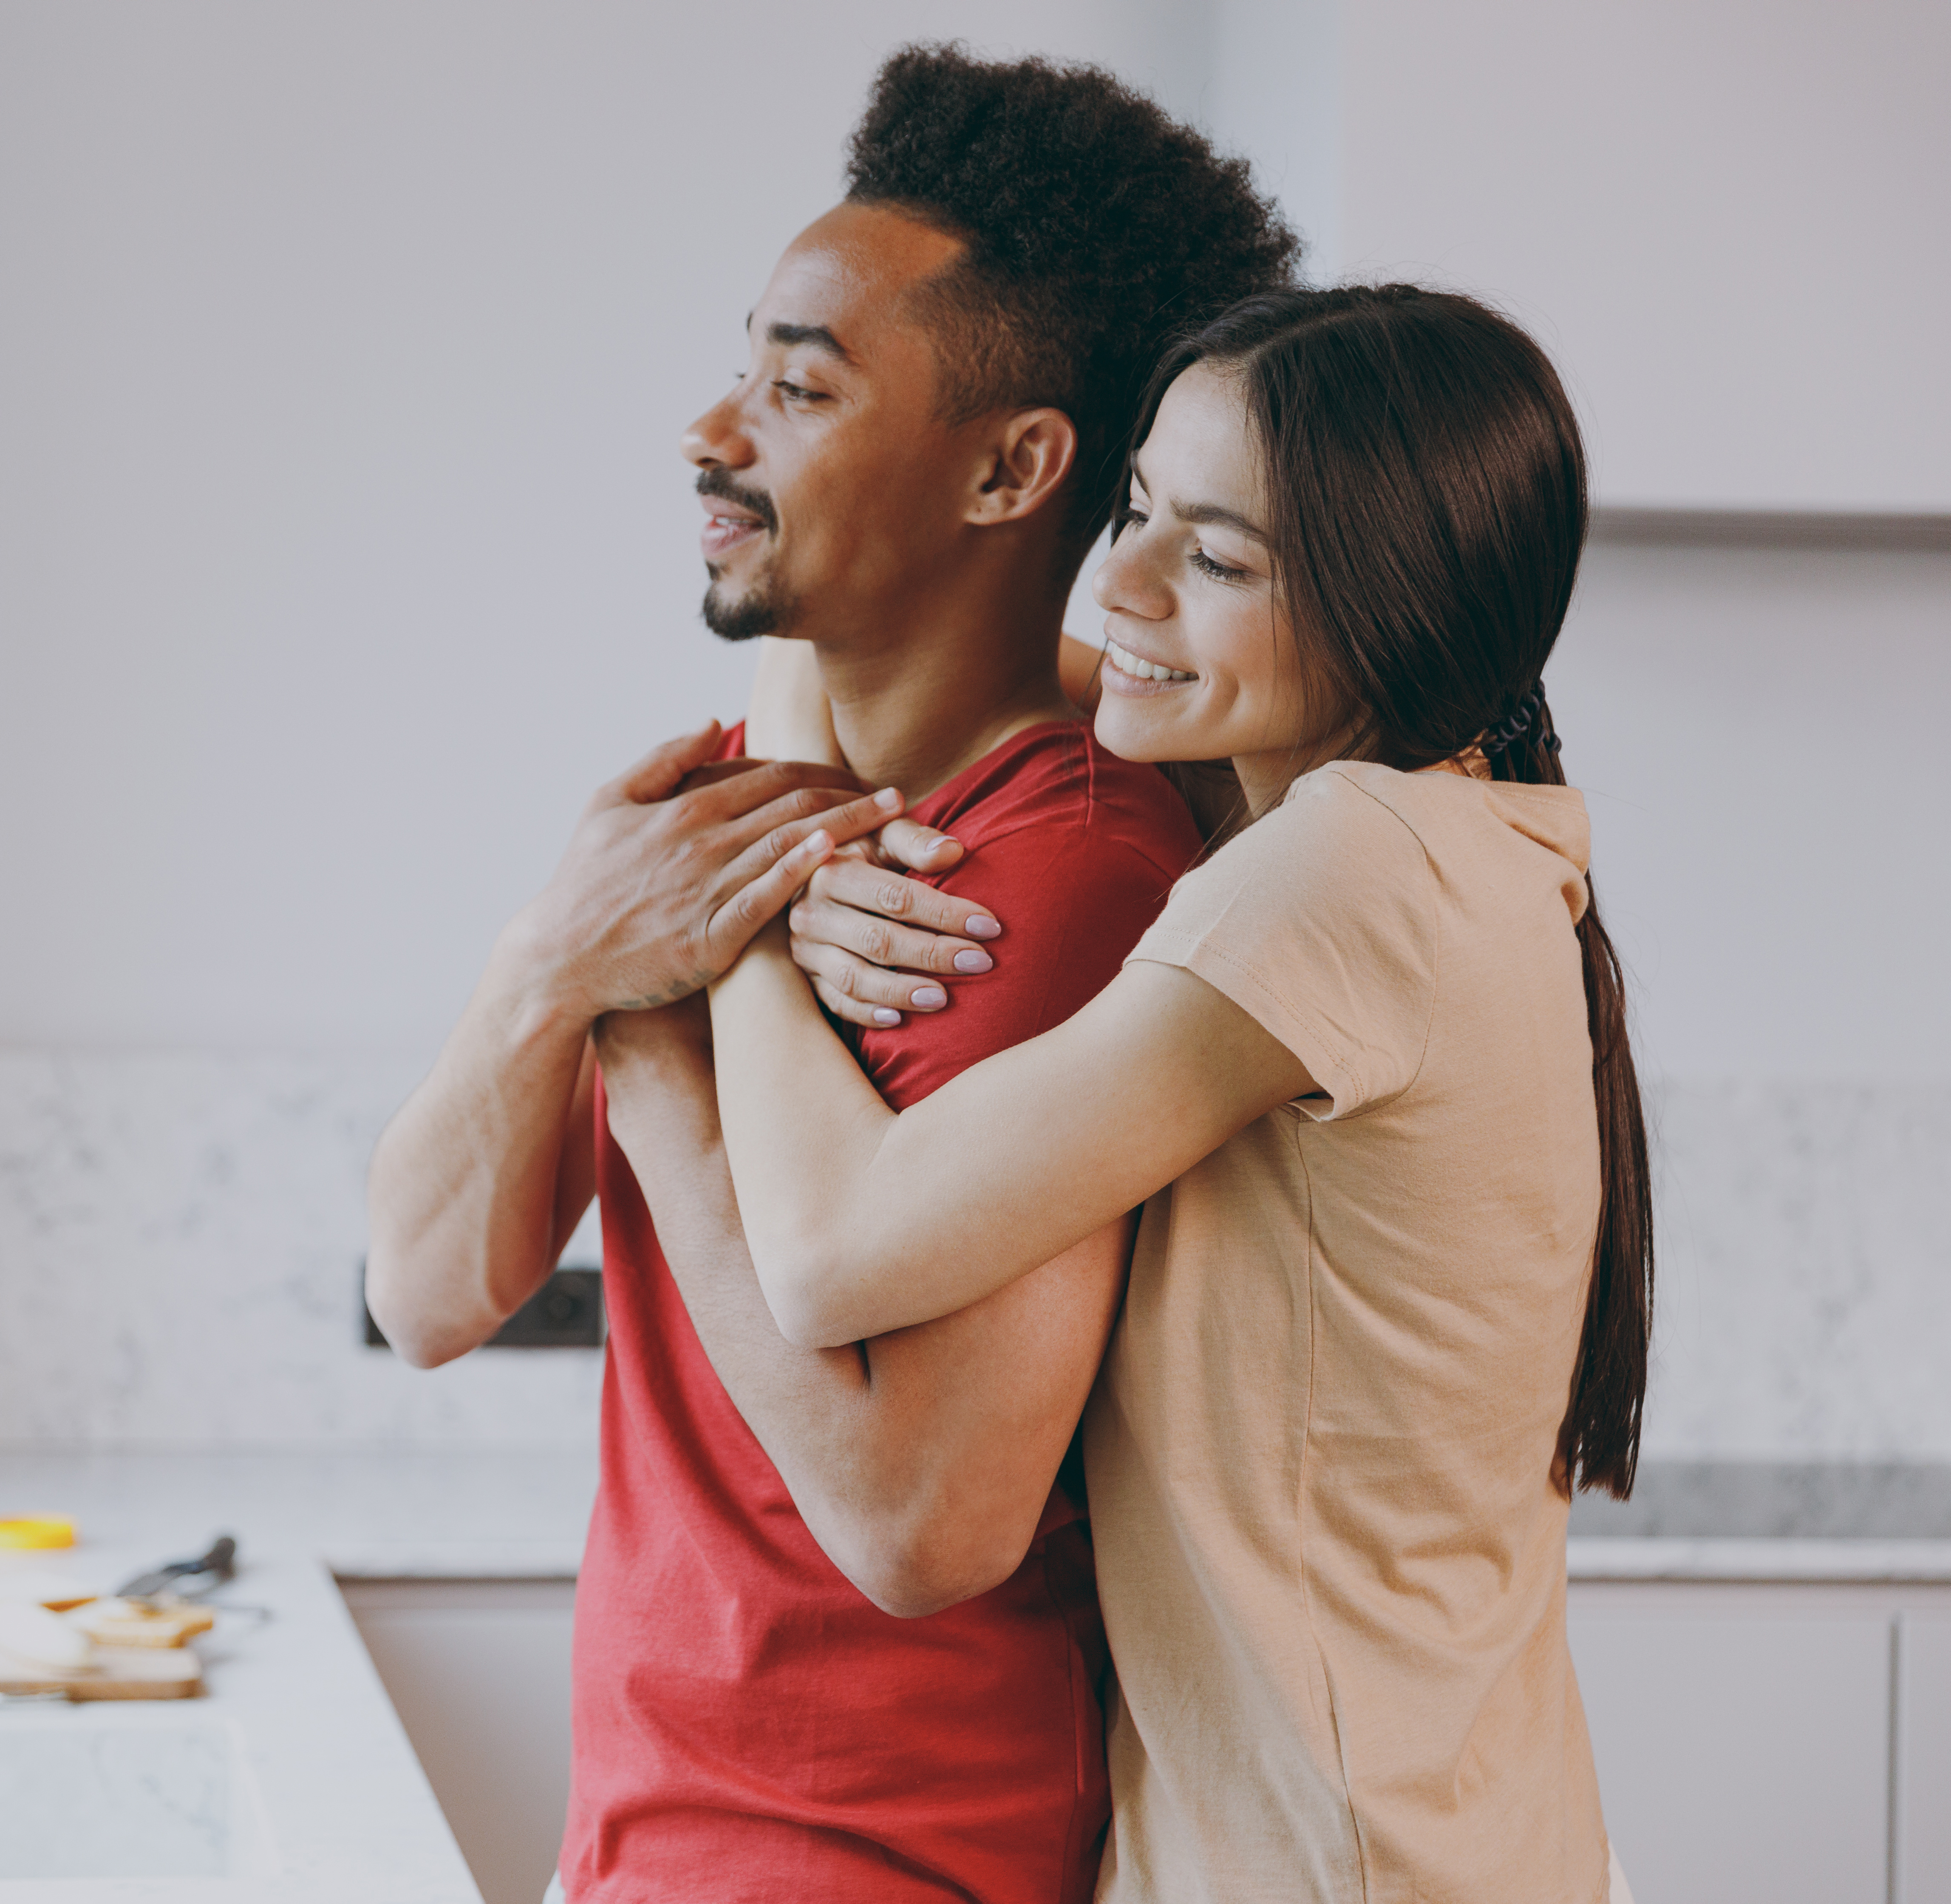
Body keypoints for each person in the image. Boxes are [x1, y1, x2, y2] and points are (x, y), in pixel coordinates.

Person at [365, 44, 1295, 1904]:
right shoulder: (726, 820)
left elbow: (925, 1517)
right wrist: (554, 955)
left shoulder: (1066, 873)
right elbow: (428, 1292)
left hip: (877, 1859)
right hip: (650, 1838)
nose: (713, 432)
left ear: (1012, 469)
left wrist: (652, 1013)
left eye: (798, 388)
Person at [639, 284, 1648, 1902]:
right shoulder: (1466, 836)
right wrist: (806, 725)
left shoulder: (1341, 874)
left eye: (1220, 560)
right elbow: (991, 650)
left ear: (1393, 607)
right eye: (1133, 507)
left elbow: (832, 1250)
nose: (1122, 581)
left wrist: (734, 922)